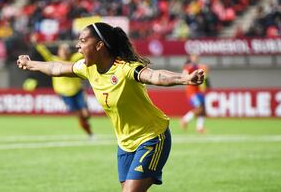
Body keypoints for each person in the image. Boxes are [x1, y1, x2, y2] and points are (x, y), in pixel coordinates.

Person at [17, 22, 204, 192]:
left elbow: (155, 76)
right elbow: (56, 68)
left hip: (152, 137)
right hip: (125, 144)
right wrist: (30, 63)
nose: (77, 46)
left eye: (83, 41)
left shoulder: (125, 68)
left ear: (99, 45)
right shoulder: (87, 67)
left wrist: (185, 78)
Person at [35, 43, 94, 138]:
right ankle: (89, 132)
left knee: (86, 114)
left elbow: (84, 52)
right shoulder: (54, 60)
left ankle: (86, 125)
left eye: (67, 51)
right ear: (59, 52)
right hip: (65, 94)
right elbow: (44, 52)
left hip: (78, 91)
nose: (65, 53)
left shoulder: (74, 59)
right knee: (80, 116)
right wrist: (37, 43)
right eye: (63, 51)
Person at [180, 53, 211, 133]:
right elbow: (184, 74)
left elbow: (206, 77)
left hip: (200, 92)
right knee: (199, 108)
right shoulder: (189, 67)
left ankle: (199, 127)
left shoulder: (199, 67)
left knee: (203, 110)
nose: (196, 58)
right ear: (191, 58)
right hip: (192, 92)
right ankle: (185, 119)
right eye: (194, 57)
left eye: (197, 57)